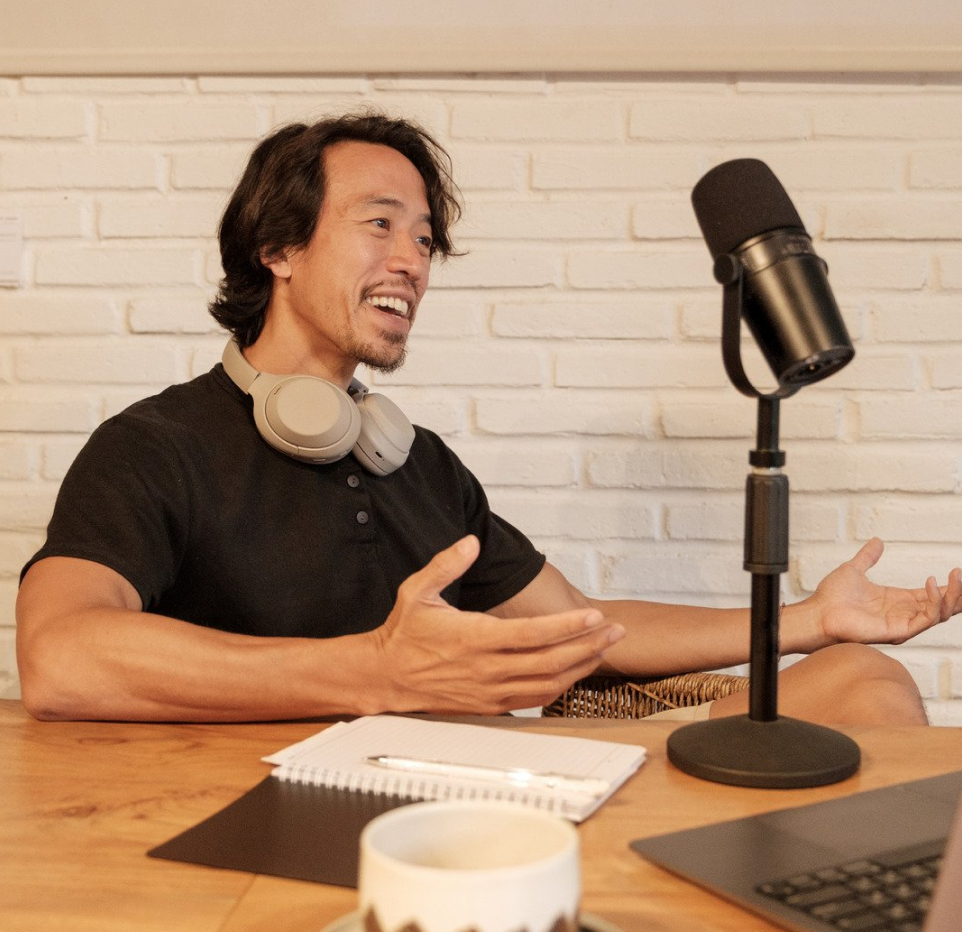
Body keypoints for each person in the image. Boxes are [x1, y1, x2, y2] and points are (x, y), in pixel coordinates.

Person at [15, 111, 962, 726]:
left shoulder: (419, 465)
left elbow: (588, 630)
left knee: (864, 682)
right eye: (380, 223)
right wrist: (375, 671)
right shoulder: (156, 447)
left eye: (425, 238)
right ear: (279, 248)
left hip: (481, 773)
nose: (413, 260)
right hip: (281, 798)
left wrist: (808, 619)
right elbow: (60, 656)